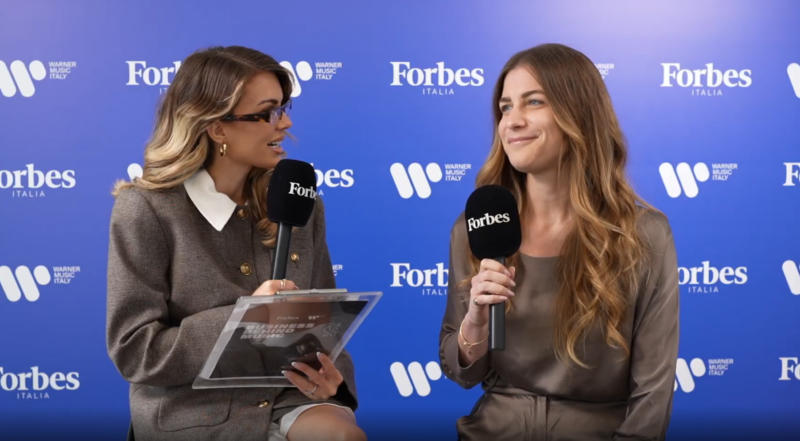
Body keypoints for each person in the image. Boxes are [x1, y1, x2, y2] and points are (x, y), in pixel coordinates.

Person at [106, 46, 366, 441]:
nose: (285, 123)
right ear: (218, 128)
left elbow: (324, 329)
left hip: (289, 397)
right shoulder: (145, 209)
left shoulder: (302, 203)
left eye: (283, 108)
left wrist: (333, 381)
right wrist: (244, 319)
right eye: (267, 113)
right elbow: (135, 351)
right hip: (194, 411)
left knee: (342, 436)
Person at [438, 43, 680, 441]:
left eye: (533, 102)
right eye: (505, 107)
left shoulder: (645, 234)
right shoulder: (473, 228)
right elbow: (462, 372)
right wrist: (475, 322)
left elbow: (653, 394)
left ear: (578, 113)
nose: (512, 121)